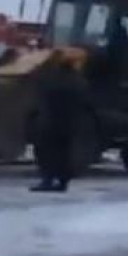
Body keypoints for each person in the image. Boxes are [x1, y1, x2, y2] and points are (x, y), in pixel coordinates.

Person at [30, 62, 91, 193]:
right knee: (64, 153)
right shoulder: (79, 83)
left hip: (52, 124)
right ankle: (63, 182)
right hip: (70, 124)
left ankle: (48, 180)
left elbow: (43, 93)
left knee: (47, 153)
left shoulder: (54, 83)